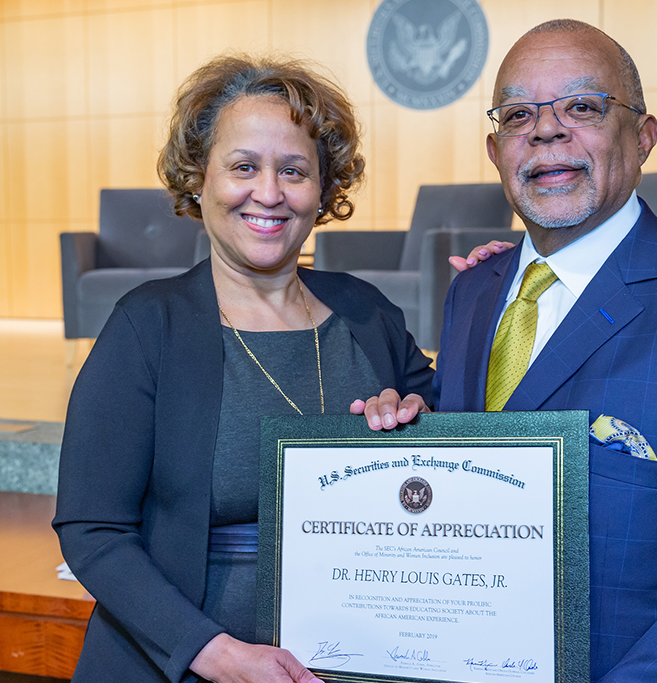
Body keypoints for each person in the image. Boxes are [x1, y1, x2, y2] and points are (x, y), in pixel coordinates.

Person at [355, 19, 657, 681]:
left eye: (583, 107)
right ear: (496, 152)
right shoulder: (473, 296)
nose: (546, 130)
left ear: (644, 137)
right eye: (519, 114)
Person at [53, 55, 508, 682]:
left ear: (323, 191)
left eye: (293, 171)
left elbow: (462, 460)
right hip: (181, 667)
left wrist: (421, 421)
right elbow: (93, 530)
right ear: (198, 178)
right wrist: (219, 657)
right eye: (244, 167)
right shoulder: (145, 327)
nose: (268, 194)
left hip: (361, 665)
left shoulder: (367, 313)